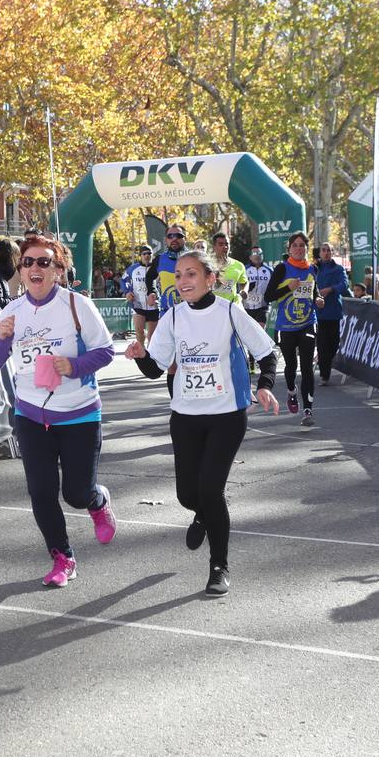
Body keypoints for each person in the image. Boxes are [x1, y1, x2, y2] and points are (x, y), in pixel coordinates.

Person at [123, 249, 279, 595]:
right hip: (186, 417)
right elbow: (154, 370)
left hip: (226, 415)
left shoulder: (229, 312)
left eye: (191, 274)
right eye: (178, 275)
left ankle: (219, 566)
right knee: (187, 494)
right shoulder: (173, 317)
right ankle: (204, 515)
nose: (183, 281)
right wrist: (140, 355)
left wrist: (265, 387)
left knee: (211, 490)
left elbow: (267, 353)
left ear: (210, 278)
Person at [0, 235, 117, 587]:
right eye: (28, 262)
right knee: (41, 492)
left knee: (75, 493)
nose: (35, 268)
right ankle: (62, 557)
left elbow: (105, 351)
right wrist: (1, 338)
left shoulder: (76, 305)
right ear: (20, 270)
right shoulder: (11, 312)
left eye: (44, 262)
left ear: (58, 269)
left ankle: (97, 500)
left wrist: (73, 366)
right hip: (30, 416)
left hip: (79, 414)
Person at [264, 232, 319, 426]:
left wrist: (317, 299)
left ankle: (308, 411)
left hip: (307, 323)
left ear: (306, 248)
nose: (299, 248)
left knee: (307, 368)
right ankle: (291, 391)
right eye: (295, 245)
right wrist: (289, 288)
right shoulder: (281, 269)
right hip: (286, 326)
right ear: (289, 249)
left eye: (302, 245)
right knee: (291, 367)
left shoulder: (312, 269)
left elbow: (314, 291)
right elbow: (268, 296)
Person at [314, 242, 347, 384]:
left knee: (333, 344)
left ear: (332, 253)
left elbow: (344, 285)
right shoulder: (314, 269)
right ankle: (324, 375)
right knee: (322, 345)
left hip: (333, 311)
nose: (326, 253)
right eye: (323, 250)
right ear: (319, 253)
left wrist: (330, 289)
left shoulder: (339, 269)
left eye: (329, 250)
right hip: (318, 312)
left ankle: (326, 363)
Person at [146, 224, 187, 314]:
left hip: (191, 315)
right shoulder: (159, 259)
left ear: (185, 239)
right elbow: (149, 277)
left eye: (178, 236)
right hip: (167, 314)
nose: (174, 239)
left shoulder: (195, 259)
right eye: (170, 236)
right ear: (165, 240)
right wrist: (151, 292)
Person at [123, 245, 158, 345]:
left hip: (153, 305)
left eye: (149, 253)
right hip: (138, 304)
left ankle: (151, 358)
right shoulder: (133, 268)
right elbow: (123, 280)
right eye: (144, 254)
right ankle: (142, 354)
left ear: (152, 254)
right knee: (139, 332)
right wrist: (127, 292)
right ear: (140, 256)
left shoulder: (157, 268)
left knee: (152, 336)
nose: (147, 255)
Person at [210, 232, 247, 305]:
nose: (225, 247)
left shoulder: (239, 265)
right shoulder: (206, 265)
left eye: (227, 244)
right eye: (221, 244)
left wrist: (244, 290)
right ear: (214, 247)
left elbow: (244, 282)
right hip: (213, 306)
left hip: (232, 306)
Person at [243, 246, 273, 326]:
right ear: (250, 257)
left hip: (263, 307)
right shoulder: (244, 269)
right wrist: (247, 289)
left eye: (260, 253)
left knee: (260, 330)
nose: (257, 255)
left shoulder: (269, 270)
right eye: (254, 253)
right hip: (247, 307)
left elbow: (274, 287)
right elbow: (238, 286)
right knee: (250, 333)